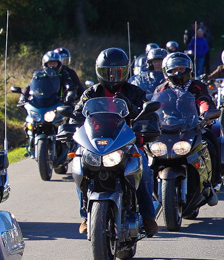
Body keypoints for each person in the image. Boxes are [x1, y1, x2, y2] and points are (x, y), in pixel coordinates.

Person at [72, 48, 159, 236]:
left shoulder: (135, 92)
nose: (112, 77)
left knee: (143, 171)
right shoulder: (91, 93)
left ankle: (148, 217)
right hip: (95, 144)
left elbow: (149, 115)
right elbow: (77, 114)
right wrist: (70, 123)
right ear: (98, 72)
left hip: (126, 144)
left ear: (126, 71)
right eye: (107, 72)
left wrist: (131, 106)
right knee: (79, 169)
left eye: (117, 72)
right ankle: (86, 217)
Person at [154, 53, 221, 195]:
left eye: (181, 68)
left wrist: (206, 114)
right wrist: (150, 117)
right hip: (167, 128)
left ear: (188, 69)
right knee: (150, 148)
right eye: (174, 69)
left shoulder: (197, 85)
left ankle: (214, 180)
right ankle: (149, 183)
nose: (178, 72)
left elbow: (203, 100)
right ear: (167, 70)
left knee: (211, 140)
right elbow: (156, 105)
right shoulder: (162, 88)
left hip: (194, 126)